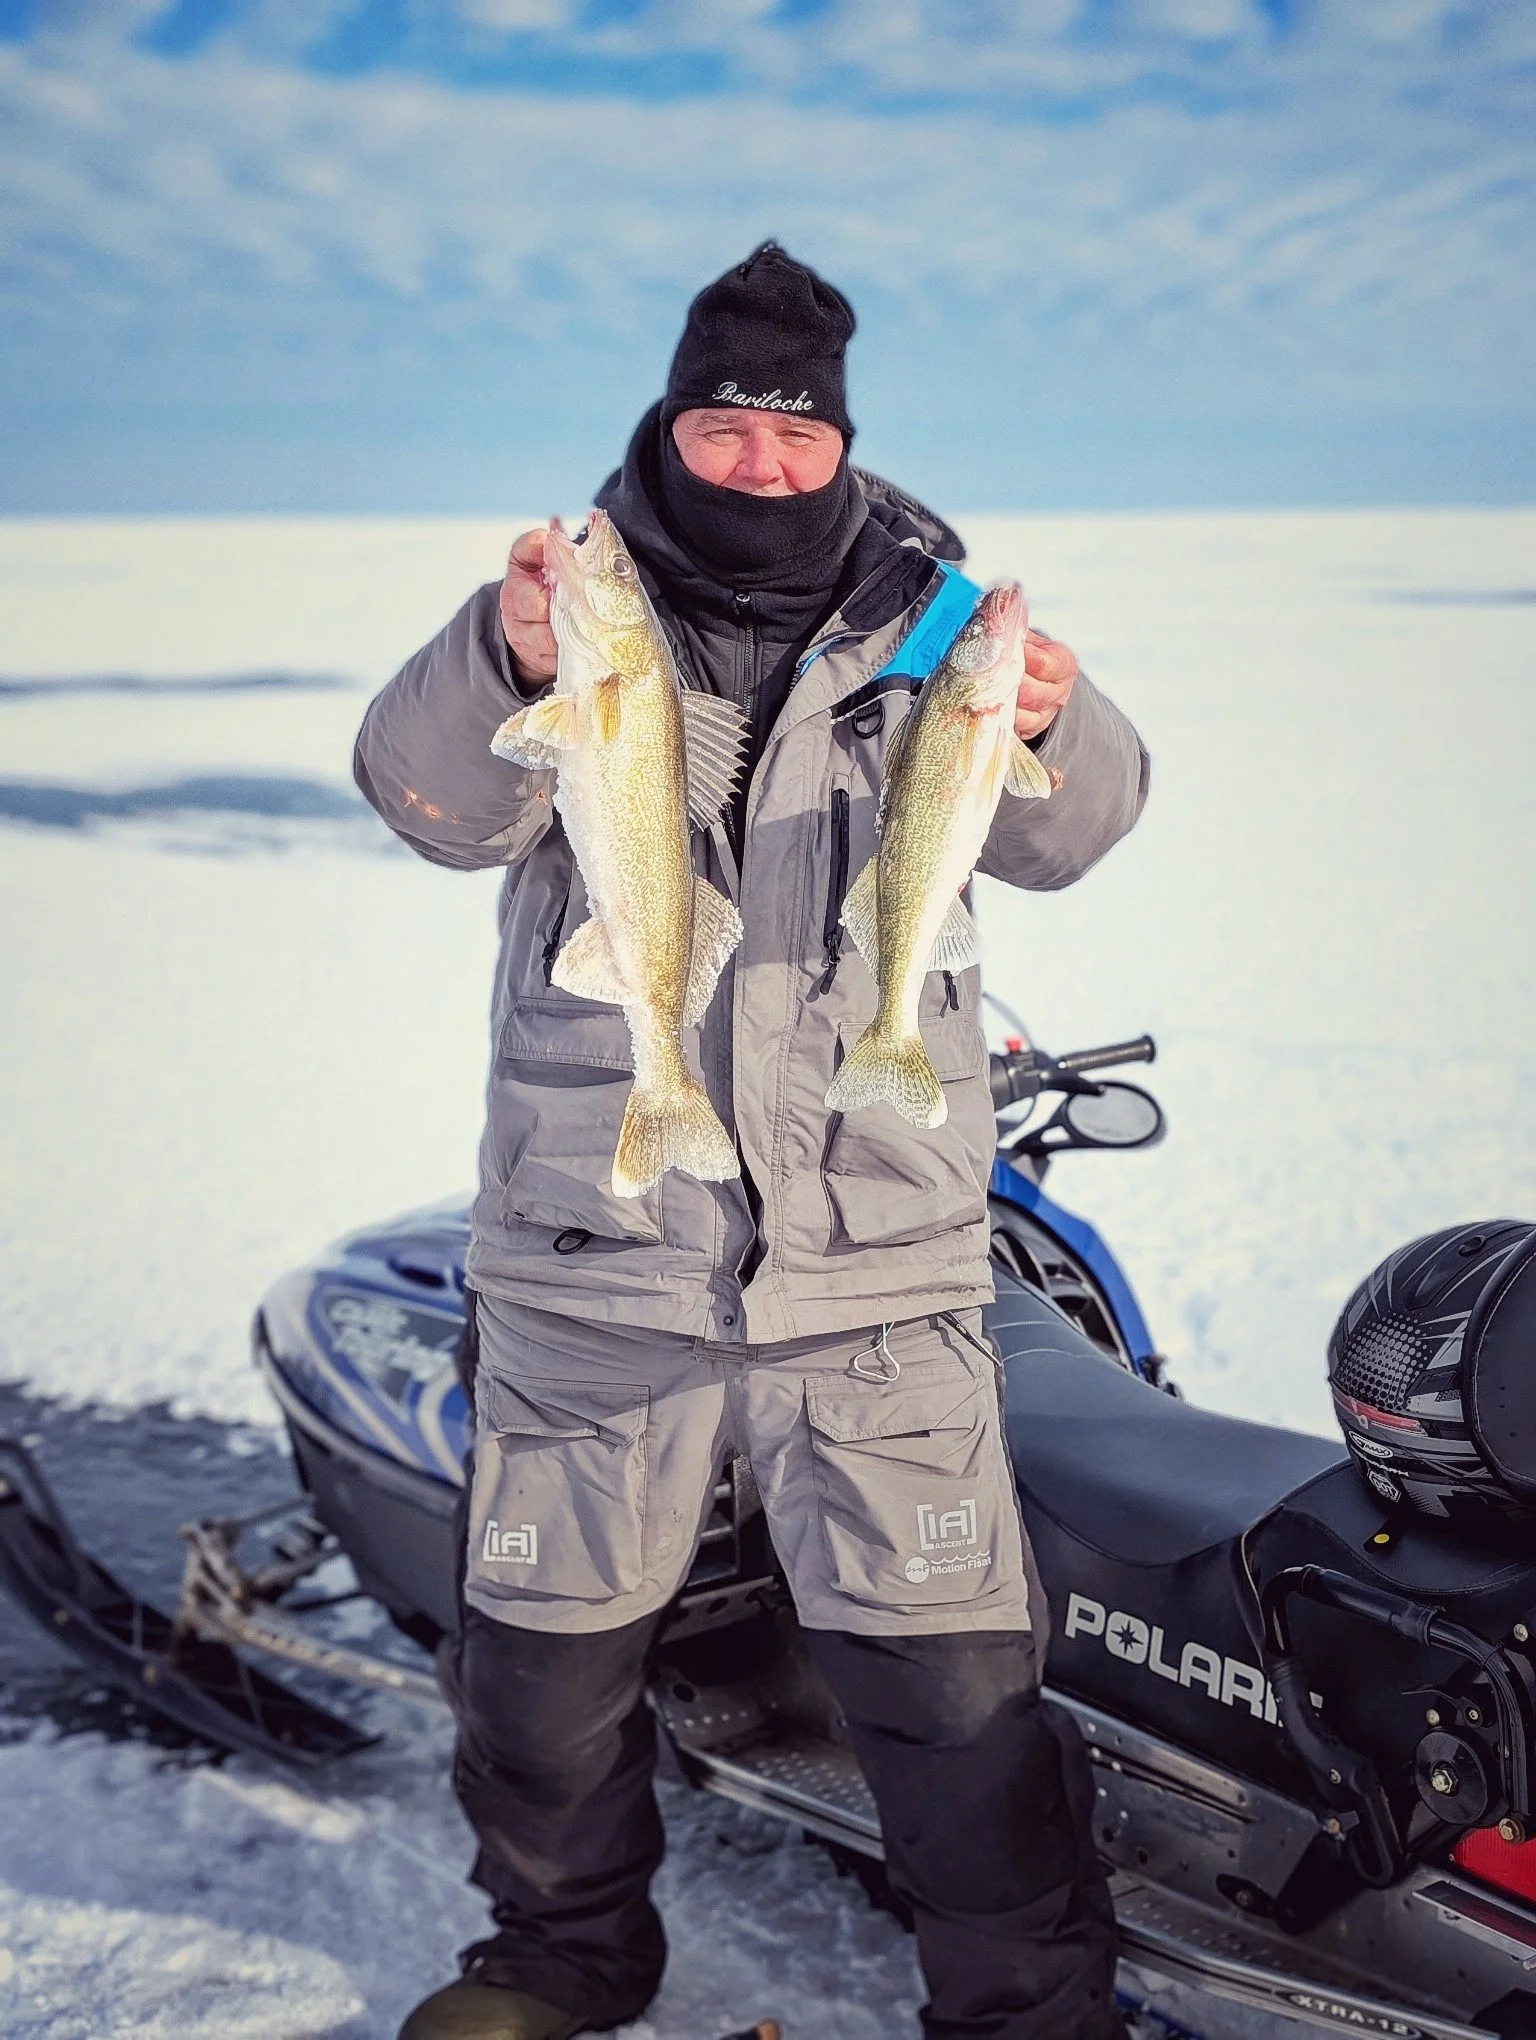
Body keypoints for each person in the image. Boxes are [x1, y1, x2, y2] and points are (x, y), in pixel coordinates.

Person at [356, 241, 1150, 2040]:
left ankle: (1029, 2016)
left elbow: (1070, 830)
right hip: (596, 1253)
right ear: (675, 420)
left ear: (841, 440)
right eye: (727, 425)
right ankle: (561, 1958)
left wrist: (1053, 719)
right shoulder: (580, 596)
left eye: (795, 435)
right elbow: (426, 798)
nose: (761, 462)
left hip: (875, 1261)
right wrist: (501, 652)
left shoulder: (934, 610)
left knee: (957, 1700)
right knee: (540, 1684)